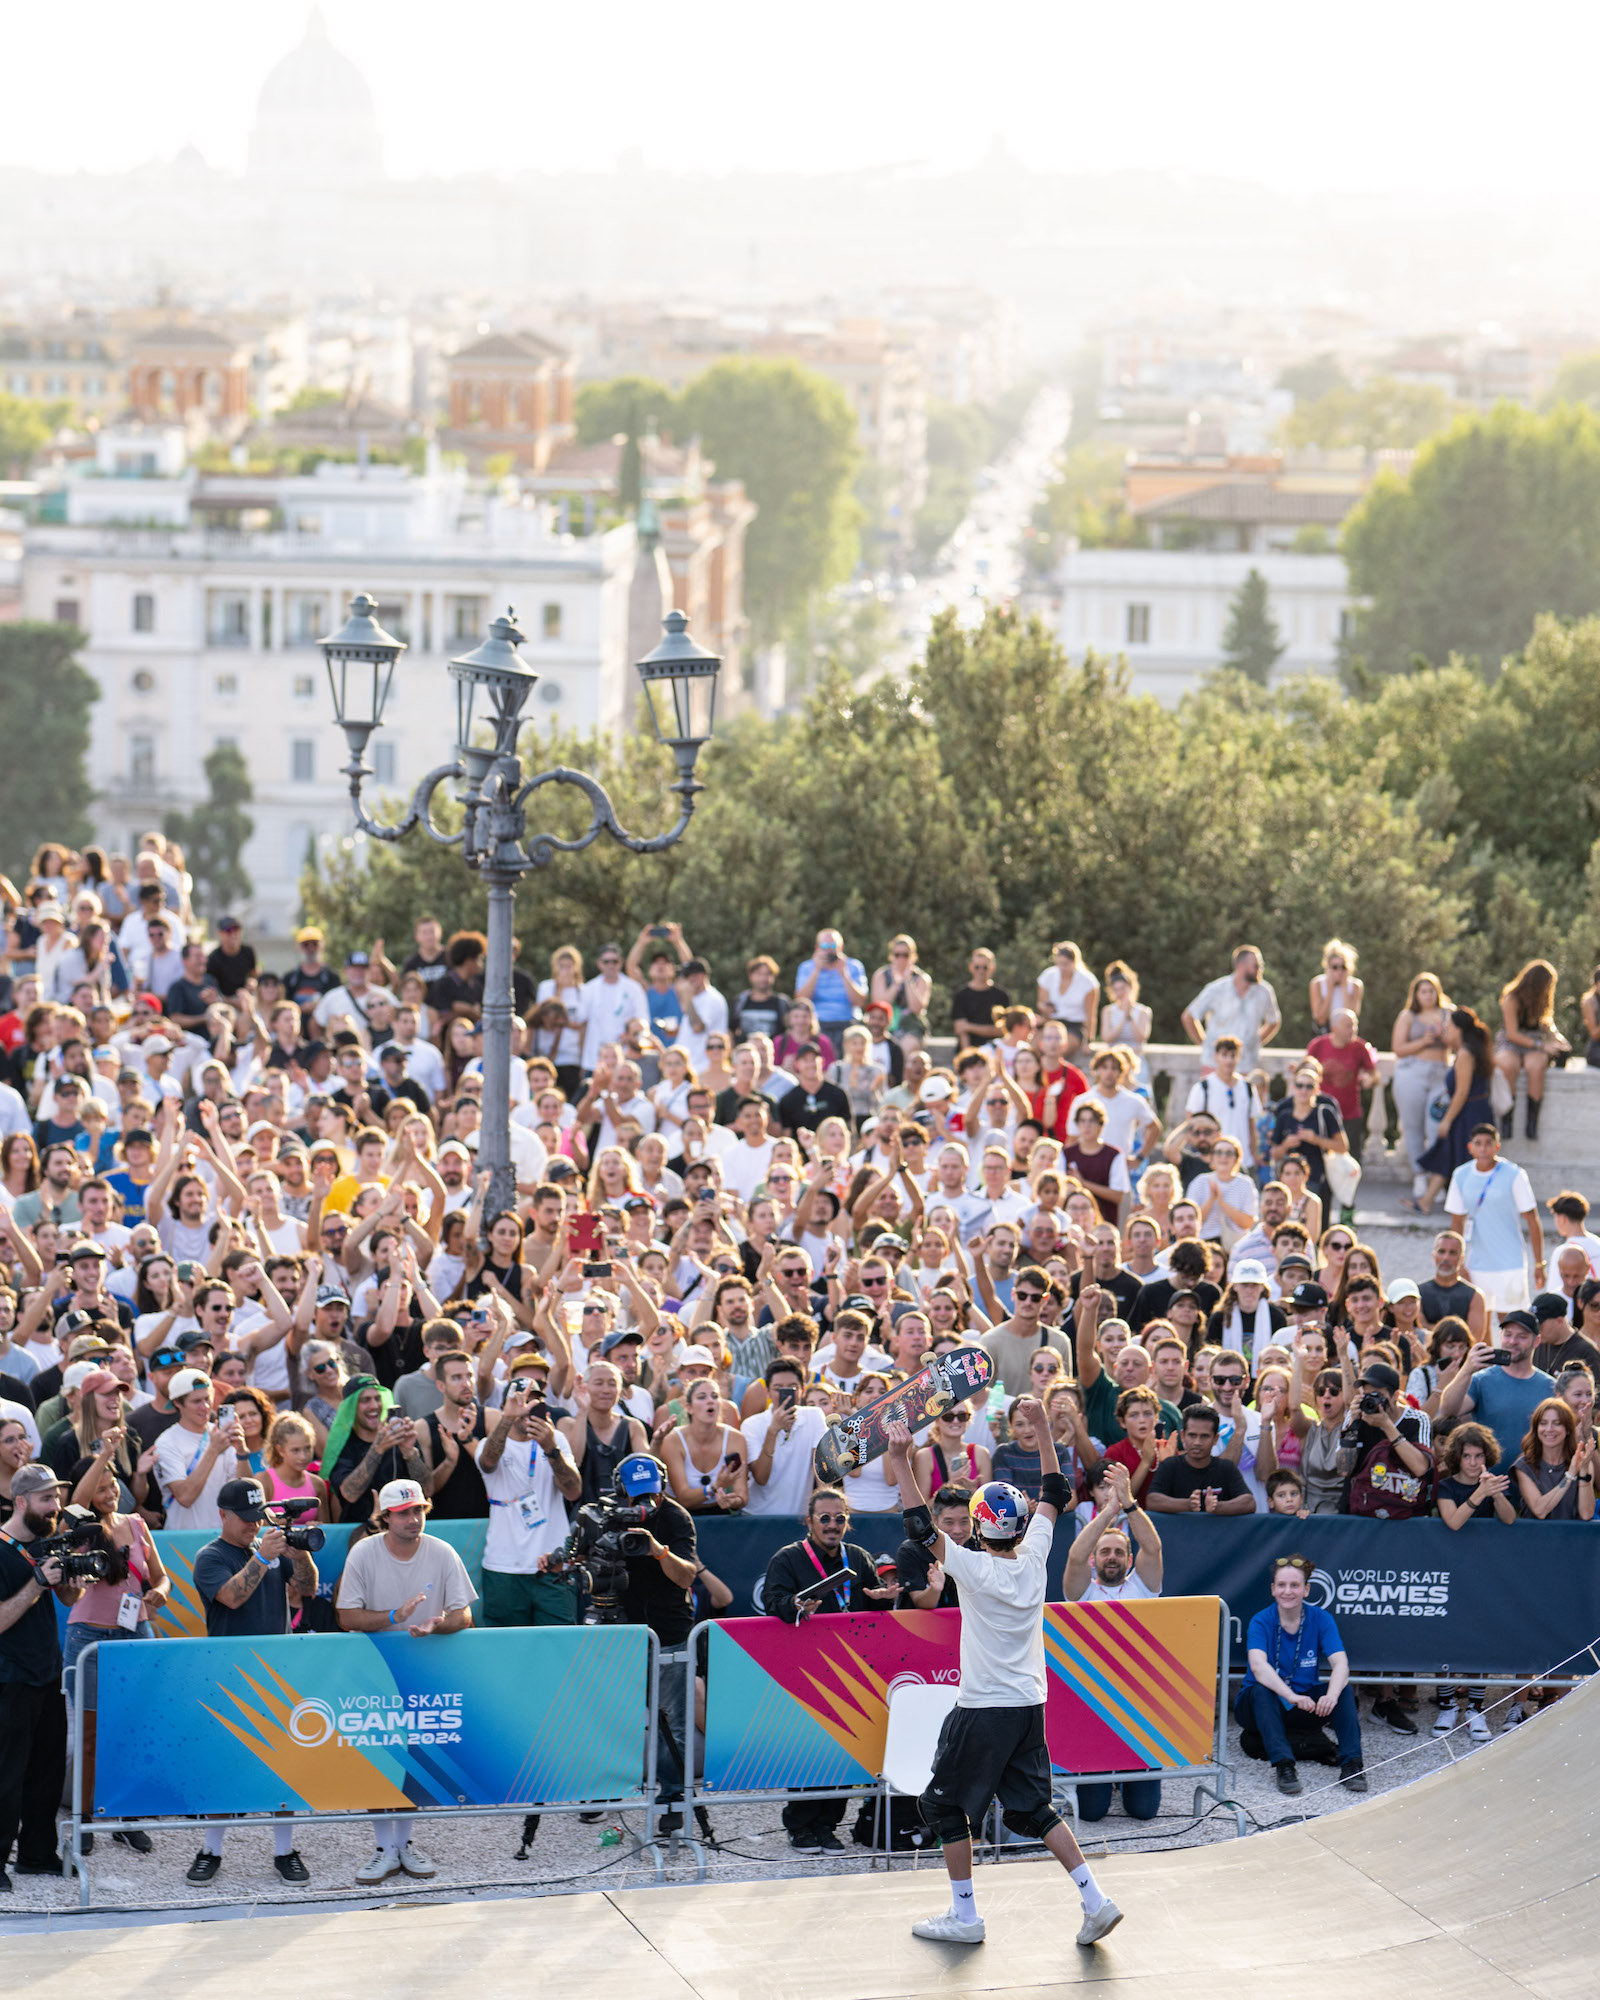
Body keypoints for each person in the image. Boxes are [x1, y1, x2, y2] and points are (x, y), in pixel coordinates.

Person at [883, 1403, 1123, 1949]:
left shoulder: (971, 1565)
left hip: (985, 1706)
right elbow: (1056, 1492)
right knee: (1032, 1809)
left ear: (980, 1527)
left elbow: (921, 1527)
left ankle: (965, 1918)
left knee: (944, 1807)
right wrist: (1042, 1428)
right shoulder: (1034, 1555)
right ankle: (1095, 1901)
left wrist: (900, 1460)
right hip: (1028, 1704)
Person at [335, 1477, 477, 1885]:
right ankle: (385, 1848)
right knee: (380, 1758)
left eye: (418, 1510)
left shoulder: (442, 1550)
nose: (414, 1519)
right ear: (386, 1518)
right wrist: (394, 1617)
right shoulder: (364, 1552)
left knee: (414, 1757)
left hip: (426, 1667)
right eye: (404, 1513)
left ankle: (404, 1844)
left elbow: (463, 1615)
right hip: (375, 1667)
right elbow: (346, 1616)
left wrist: (437, 1626)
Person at [187, 1477, 318, 1884]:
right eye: (244, 1519)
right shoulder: (210, 1557)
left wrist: (298, 1556)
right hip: (229, 1675)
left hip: (275, 1672)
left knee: (283, 1766)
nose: (251, 1525)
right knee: (223, 1768)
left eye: (257, 1517)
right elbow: (231, 1597)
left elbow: (308, 1590)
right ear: (222, 1515)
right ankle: (211, 1849)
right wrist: (263, 1557)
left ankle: (284, 1850)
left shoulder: (270, 1548)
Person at [763, 1487, 897, 1850]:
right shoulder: (788, 1558)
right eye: (825, 1518)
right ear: (809, 1522)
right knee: (810, 1750)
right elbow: (771, 1600)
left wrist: (883, 1597)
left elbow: (873, 1595)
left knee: (845, 1751)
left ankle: (828, 1824)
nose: (832, 1525)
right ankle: (801, 1824)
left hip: (853, 1672)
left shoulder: (858, 1556)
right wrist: (794, 1604)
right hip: (809, 1672)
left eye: (839, 1518)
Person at [1062, 1463, 1163, 1824]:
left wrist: (1129, 1504)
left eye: (1119, 1552)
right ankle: (1106, 1780)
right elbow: (1074, 1555)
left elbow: (1152, 1546)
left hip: (1140, 1703)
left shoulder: (1143, 1586)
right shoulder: (1083, 1589)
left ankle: (1128, 1781)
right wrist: (1109, 1510)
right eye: (1104, 1552)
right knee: (1091, 1813)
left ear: (1129, 1560)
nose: (1111, 1557)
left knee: (1143, 1812)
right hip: (1092, 1701)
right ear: (1095, 1559)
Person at [0, 1463, 80, 1887]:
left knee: (47, 1772)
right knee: (6, 1777)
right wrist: (35, 1583)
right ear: (21, 1502)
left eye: (58, 1497)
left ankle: (36, 1854)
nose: (56, 1506)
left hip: (48, 1675)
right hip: (9, 1680)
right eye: (47, 1498)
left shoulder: (49, 1542)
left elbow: (71, 1595)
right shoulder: (0, 1548)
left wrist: (71, 1574)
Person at [1236, 1554, 1365, 1796]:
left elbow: (1341, 1664)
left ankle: (1352, 1764)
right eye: (1282, 1585)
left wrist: (1332, 1696)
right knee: (1262, 1689)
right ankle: (1285, 1766)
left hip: (1303, 1704)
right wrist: (1291, 1696)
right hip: (1260, 1705)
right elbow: (1258, 1667)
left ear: (1306, 1590)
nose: (1288, 1591)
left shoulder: (1321, 1619)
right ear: (1273, 1589)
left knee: (1344, 1690)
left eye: (1294, 1585)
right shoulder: (1261, 1621)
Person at [476, 1362, 583, 1627]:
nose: (527, 1409)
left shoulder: (555, 1439)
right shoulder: (488, 1443)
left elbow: (573, 1491)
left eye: (534, 1403)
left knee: (560, 1646)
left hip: (553, 1564)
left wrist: (550, 1448)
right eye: (520, 1402)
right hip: (504, 1568)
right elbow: (488, 1461)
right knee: (505, 1648)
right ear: (505, 1407)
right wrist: (508, 1419)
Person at [1442, 1123, 1545, 1313]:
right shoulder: (1461, 1175)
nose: (1483, 1148)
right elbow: (1456, 1222)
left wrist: (1539, 1263)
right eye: (1478, 1143)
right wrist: (1459, 1262)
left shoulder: (1515, 1174)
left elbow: (1532, 1219)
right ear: (1470, 1147)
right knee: (1479, 1319)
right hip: (1476, 1262)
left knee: (1510, 1322)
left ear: (1497, 1147)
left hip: (1510, 1261)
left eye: (1488, 1143)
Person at [1406, 1009, 1496, 1216]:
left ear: (1458, 1029)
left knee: (1465, 1156)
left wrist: (1447, 1120)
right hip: (1473, 1111)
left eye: (1449, 1026)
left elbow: (1462, 1091)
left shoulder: (1465, 1054)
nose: (1446, 1030)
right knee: (1449, 1154)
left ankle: (1432, 1202)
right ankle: (1427, 1201)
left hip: (1468, 1113)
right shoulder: (1472, 1049)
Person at [1494, 958, 1568, 1142]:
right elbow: (1512, 1033)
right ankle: (1507, 1118)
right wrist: (1542, 1045)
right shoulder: (1511, 998)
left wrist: (1558, 1039)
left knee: (1536, 1067)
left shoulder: (1541, 1000)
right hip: (1512, 1041)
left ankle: (1531, 1122)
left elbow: (1546, 1023)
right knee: (1508, 1065)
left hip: (1534, 1043)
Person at [1181, 945, 1281, 1073]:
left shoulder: (1264, 992)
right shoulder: (1216, 989)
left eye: (1261, 965)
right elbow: (1188, 1016)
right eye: (1256, 965)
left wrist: (1255, 1041)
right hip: (1214, 1065)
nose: (1260, 969)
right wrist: (1205, 1045)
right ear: (1240, 965)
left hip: (1246, 1064)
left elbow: (1274, 1021)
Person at [1144, 1406, 1255, 1515]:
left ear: (1215, 1439)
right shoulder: (1169, 1466)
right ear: (1182, 1436)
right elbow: (1152, 1500)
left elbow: (1249, 1502)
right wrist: (1188, 1504)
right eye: (1192, 1435)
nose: (1197, 1442)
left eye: (1204, 1436)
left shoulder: (1226, 1468)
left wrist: (1218, 1507)